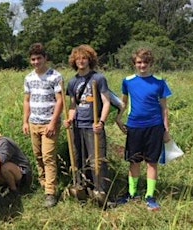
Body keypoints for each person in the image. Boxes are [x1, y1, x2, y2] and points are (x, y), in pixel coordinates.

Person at [115, 48, 171, 211]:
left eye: (145, 62)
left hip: (154, 126)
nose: (142, 65)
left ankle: (150, 196)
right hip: (134, 126)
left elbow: (164, 108)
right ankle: (132, 194)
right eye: (139, 62)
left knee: (152, 162)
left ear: (150, 63)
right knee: (134, 161)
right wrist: (118, 118)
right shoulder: (128, 81)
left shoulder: (160, 82)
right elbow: (124, 103)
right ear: (134, 64)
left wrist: (166, 130)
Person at [64, 45, 111, 202]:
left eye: (84, 58)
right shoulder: (72, 82)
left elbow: (106, 102)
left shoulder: (98, 79)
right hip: (78, 126)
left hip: (93, 125)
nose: (81, 61)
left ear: (89, 60)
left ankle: (101, 192)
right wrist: (70, 119)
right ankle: (84, 188)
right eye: (78, 59)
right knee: (79, 159)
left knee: (97, 160)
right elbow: (73, 105)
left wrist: (102, 122)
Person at [22, 43, 63, 208]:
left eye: (39, 58)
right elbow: (26, 101)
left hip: (49, 123)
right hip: (34, 123)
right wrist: (25, 121)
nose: (36, 62)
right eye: (33, 59)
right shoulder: (28, 78)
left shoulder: (55, 76)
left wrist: (53, 122)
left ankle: (50, 193)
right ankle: (43, 183)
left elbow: (60, 100)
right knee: (38, 156)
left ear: (45, 58)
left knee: (48, 157)